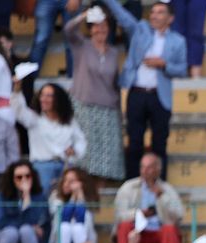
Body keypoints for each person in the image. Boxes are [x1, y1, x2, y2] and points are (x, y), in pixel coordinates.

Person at [106, 0, 187, 180]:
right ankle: (133, 183)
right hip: (137, 93)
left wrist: (163, 64)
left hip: (160, 96)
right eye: (153, 12)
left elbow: (182, 69)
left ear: (170, 18)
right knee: (134, 142)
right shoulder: (141, 29)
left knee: (159, 144)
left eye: (159, 12)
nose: (154, 15)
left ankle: (159, 184)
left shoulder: (178, 41)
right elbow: (123, 16)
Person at [61, 5, 125, 185]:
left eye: (104, 25)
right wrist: (84, 15)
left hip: (108, 109)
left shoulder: (113, 52)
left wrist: (120, 110)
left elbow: (115, 83)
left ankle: (101, 193)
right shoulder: (82, 46)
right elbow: (68, 29)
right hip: (84, 107)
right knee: (86, 155)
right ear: (90, 29)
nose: (100, 29)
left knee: (106, 157)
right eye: (96, 26)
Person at [12, 82, 86, 196]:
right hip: (42, 168)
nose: (44, 99)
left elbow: (81, 141)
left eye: (49, 96)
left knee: (66, 200)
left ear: (58, 99)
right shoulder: (34, 119)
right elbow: (19, 110)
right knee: (43, 200)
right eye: (42, 95)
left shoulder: (69, 121)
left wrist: (74, 150)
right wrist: (17, 90)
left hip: (65, 166)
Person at [115, 152, 184, 243]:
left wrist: (161, 197)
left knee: (170, 229)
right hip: (137, 234)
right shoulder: (128, 187)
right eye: (143, 167)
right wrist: (139, 213)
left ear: (158, 169)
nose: (145, 171)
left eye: (149, 167)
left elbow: (178, 216)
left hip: (159, 233)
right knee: (124, 226)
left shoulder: (168, 189)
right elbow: (119, 215)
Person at [0, 161, 47, 243]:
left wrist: (27, 196)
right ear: (13, 179)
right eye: (19, 177)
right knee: (12, 232)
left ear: (32, 177)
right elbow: (1, 221)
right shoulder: (3, 195)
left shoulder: (39, 195)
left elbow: (36, 220)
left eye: (27, 176)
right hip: (3, 236)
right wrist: (28, 224)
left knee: (26, 230)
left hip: (28, 238)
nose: (24, 180)